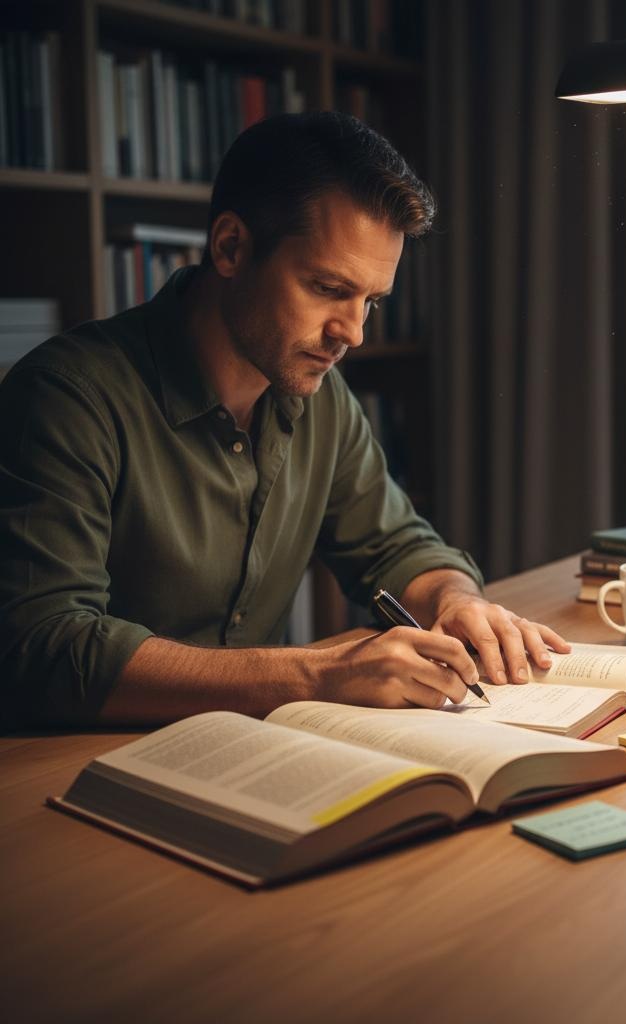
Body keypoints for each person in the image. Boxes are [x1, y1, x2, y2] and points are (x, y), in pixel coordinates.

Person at [0, 111, 570, 729]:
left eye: (370, 302)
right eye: (328, 288)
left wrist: (455, 600)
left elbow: (397, 546)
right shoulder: (67, 397)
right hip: (72, 769)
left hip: (249, 750)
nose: (351, 332)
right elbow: (47, 647)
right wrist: (320, 675)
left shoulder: (320, 397)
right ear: (230, 247)